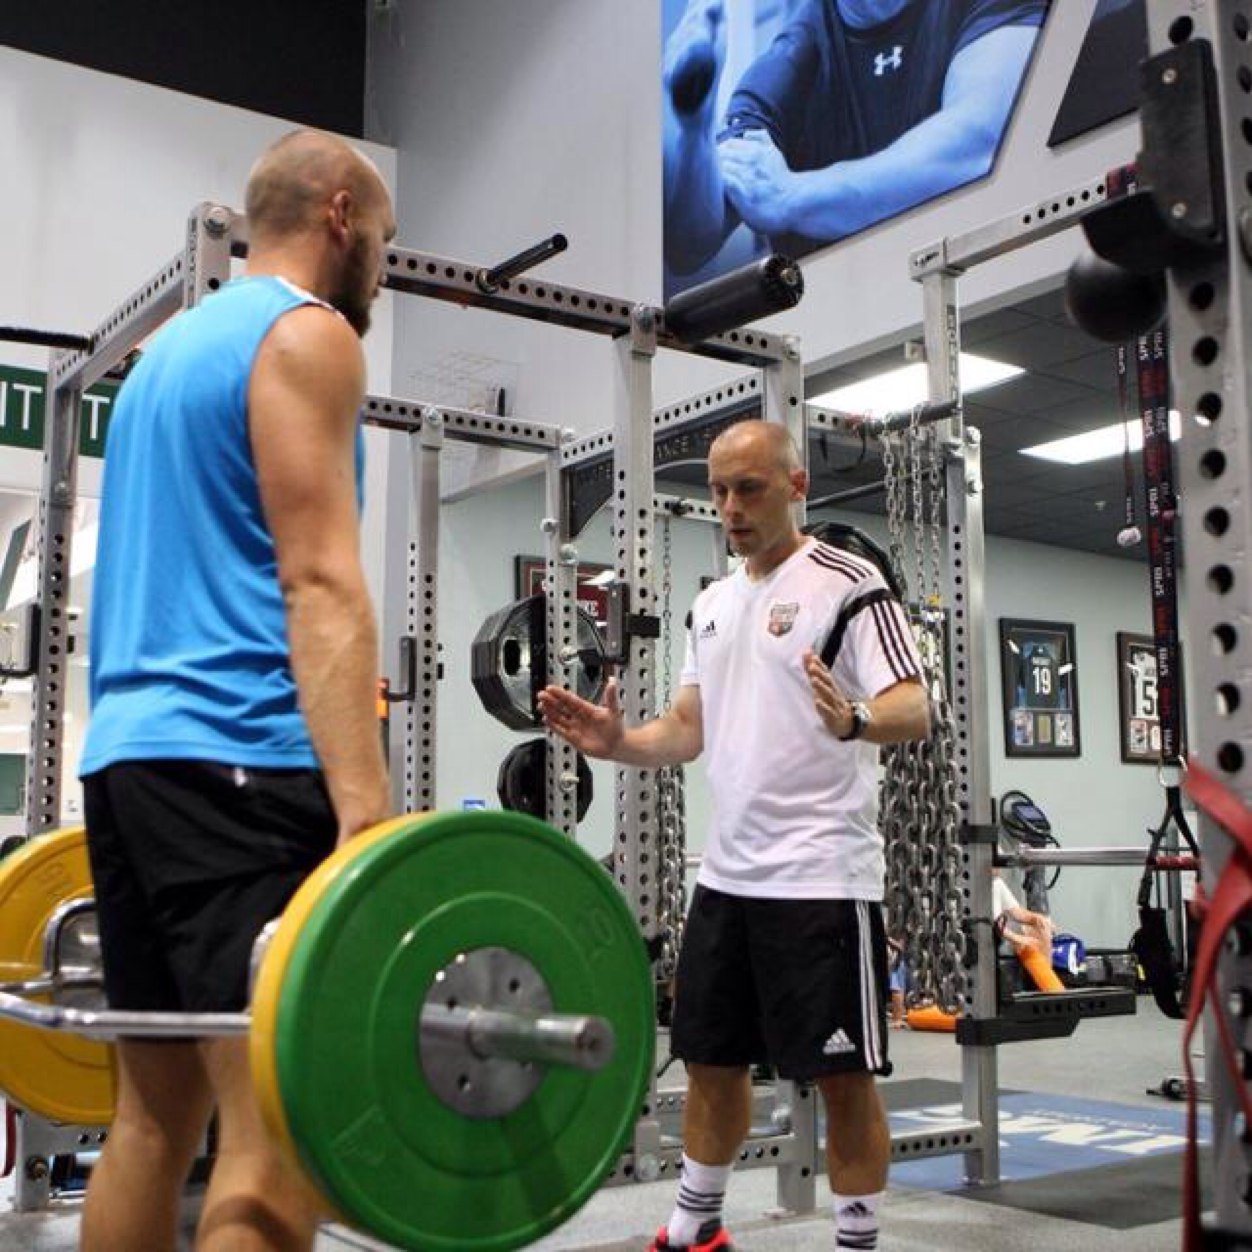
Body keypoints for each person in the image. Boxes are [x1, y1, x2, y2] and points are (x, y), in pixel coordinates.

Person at [77, 129, 395, 1252]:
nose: (384, 276)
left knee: (152, 1120)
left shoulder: (162, 359)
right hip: (245, 760)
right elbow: (318, 580)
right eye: (387, 247)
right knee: (272, 1131)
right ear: (342, 215)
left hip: (128, 764)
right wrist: (367, 813)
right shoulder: (305, 336)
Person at [538, 419, 930, 1252]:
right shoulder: (712, 605)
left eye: (749, 488)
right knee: (712, 1060)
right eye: (718, 491)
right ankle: (694, 1228)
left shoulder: (849, 584)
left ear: (796, 487)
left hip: (822, 879)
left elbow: (914, 704)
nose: (730, 508)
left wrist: (856, 717)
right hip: (729, 879)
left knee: (841, 1075)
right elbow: (687, 727)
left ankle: (856, 1239)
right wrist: (617, 744)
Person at [663, 0, 1048, 281]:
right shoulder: (793, 57)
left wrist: (792, 197)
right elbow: (690, 245)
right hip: (854, 336)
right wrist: (693, 125)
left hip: (995, 282)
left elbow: (980, 141)